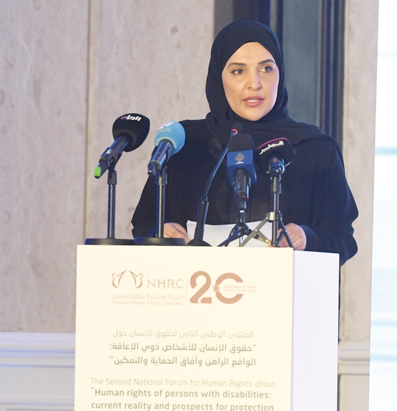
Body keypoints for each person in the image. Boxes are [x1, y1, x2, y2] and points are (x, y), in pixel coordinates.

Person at [131, 20, 358, 264]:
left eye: (266, 69)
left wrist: (307, 237)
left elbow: (343, 239)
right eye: (238, 71)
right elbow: (144, 225)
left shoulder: (314, 149)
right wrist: (160, 233)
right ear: (219, 77)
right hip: (194, 294)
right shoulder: (185, 143)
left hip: (283, 298)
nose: (255, 84)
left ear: (280, 73)